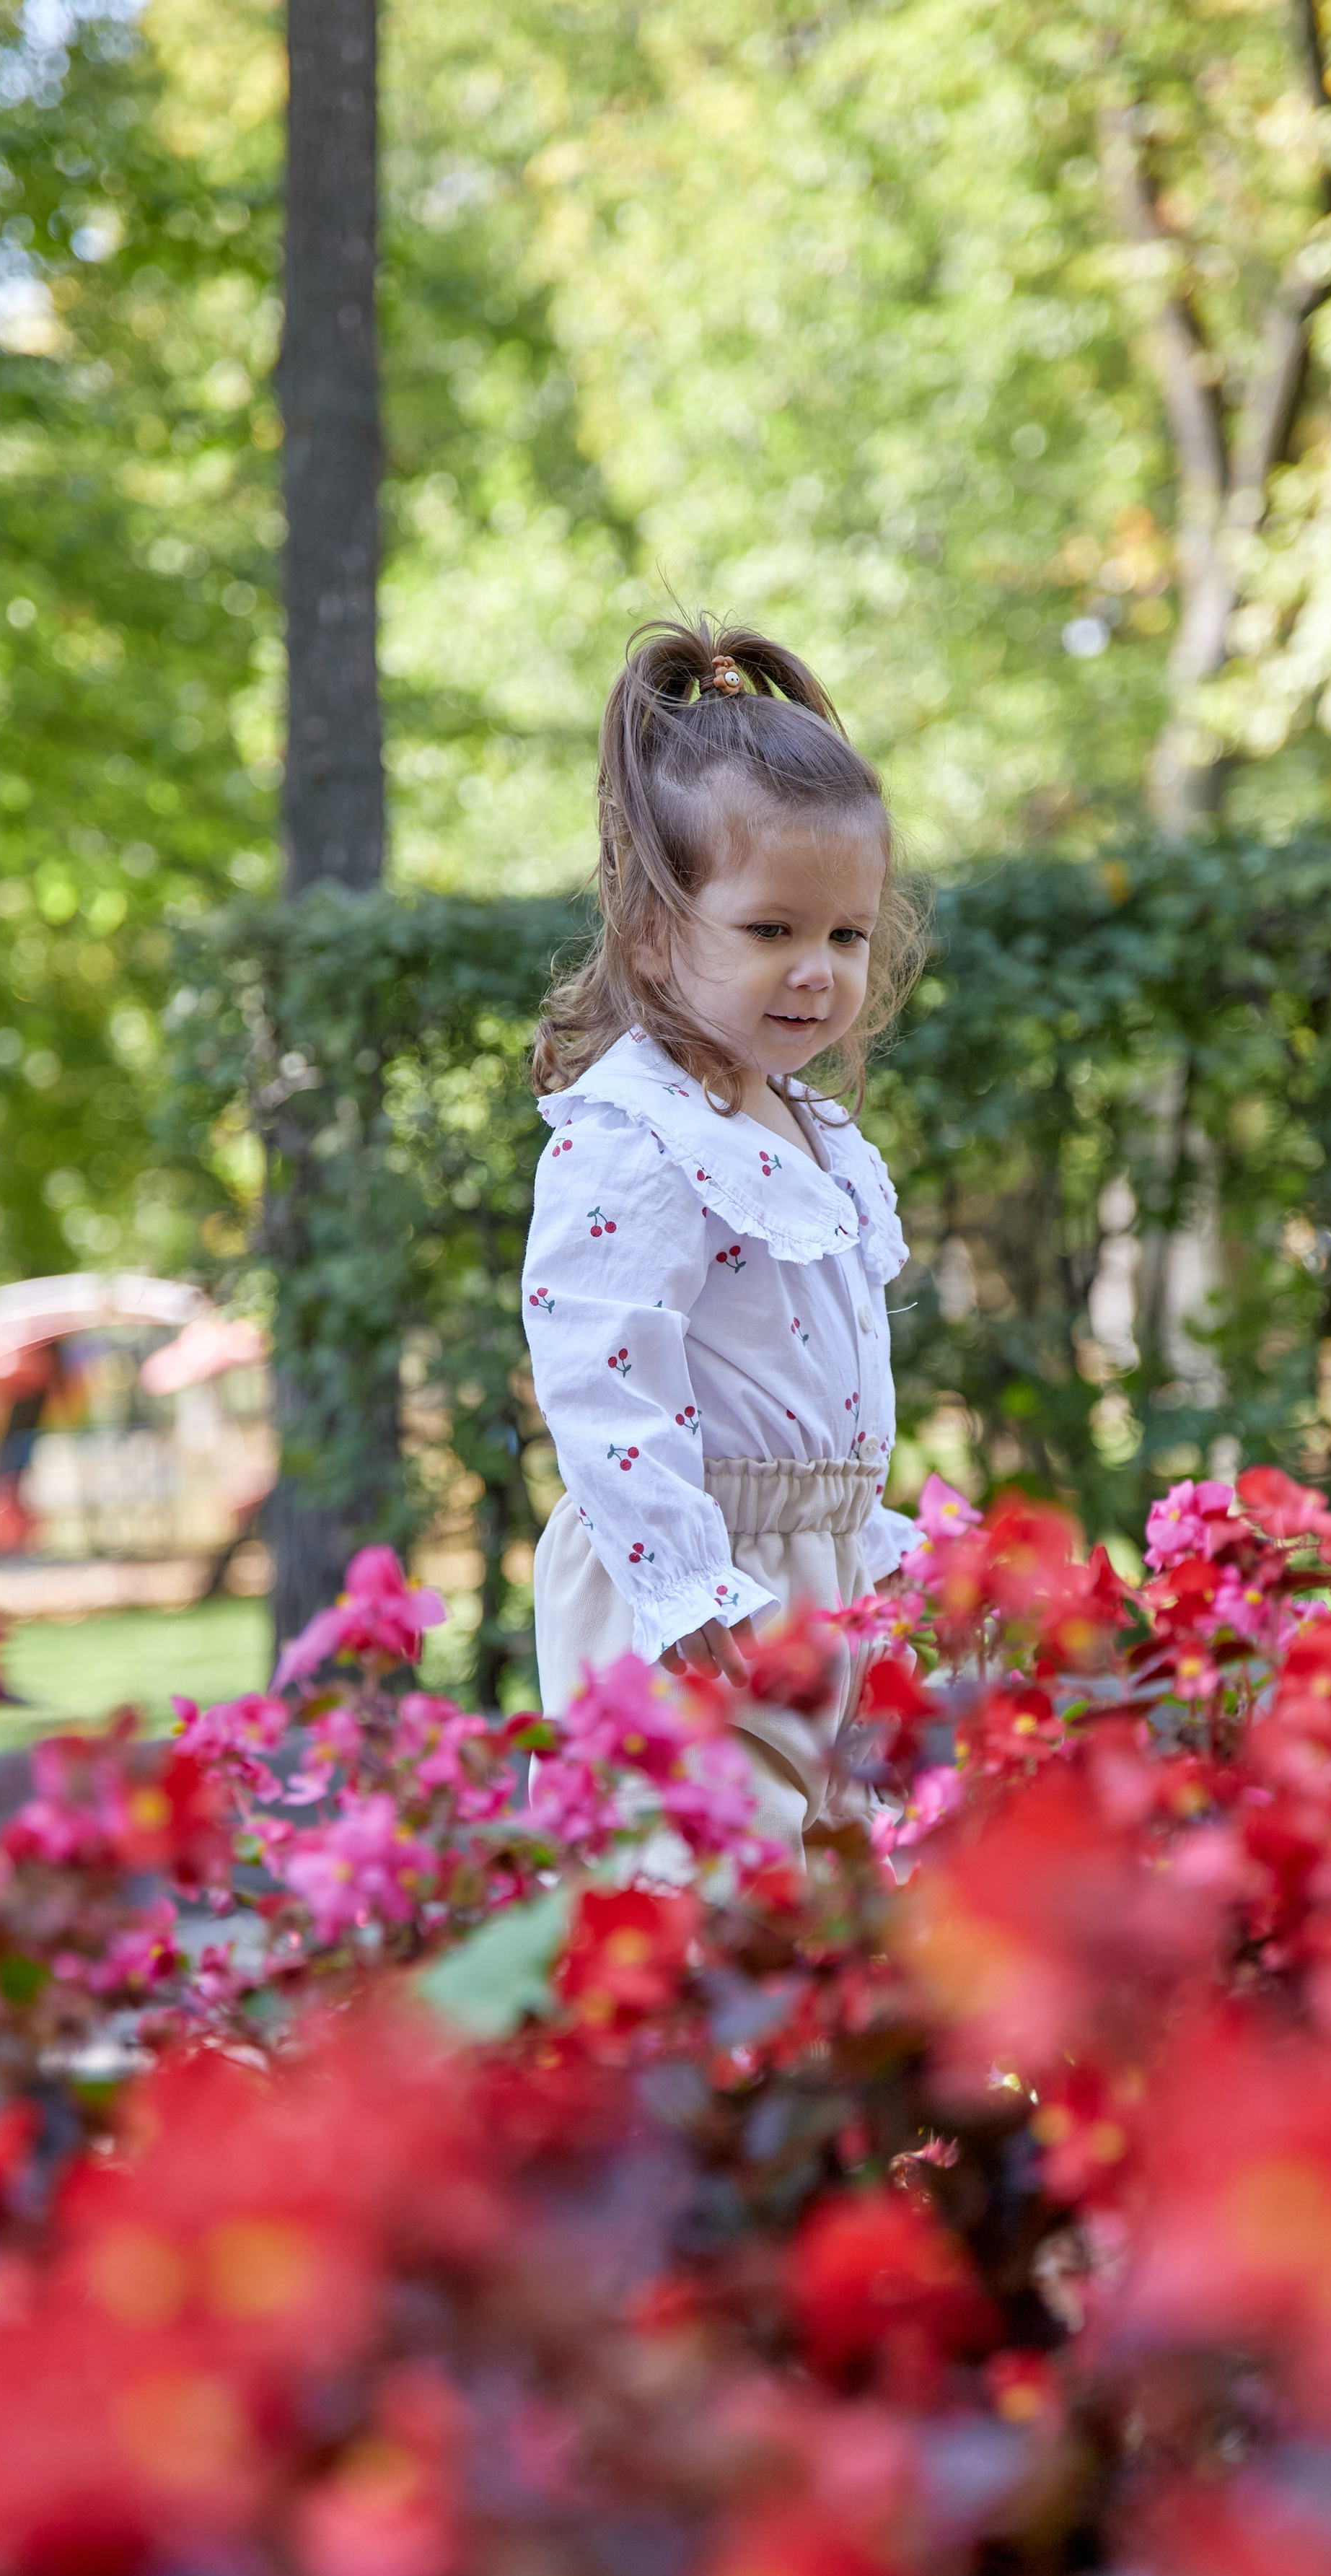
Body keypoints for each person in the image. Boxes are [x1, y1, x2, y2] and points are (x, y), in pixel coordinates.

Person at [522, 616, 929, 1850]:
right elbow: (598, 1369)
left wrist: (875, 1544)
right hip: (699, 1593)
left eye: (845, 936)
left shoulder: (802, 1128)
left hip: (817, 1580)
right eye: (772, 931)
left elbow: (820, 1378)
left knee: (827, 1914)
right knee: (698, 1895)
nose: (818, 969)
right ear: (655, 929)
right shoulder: (635, 1135)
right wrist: (681, 1575)